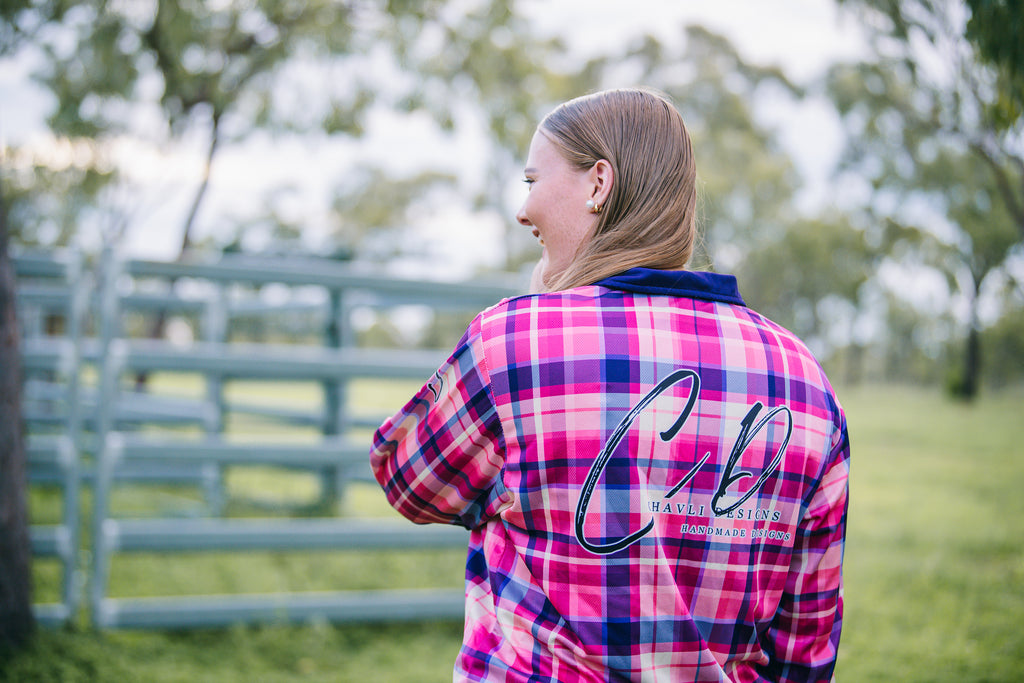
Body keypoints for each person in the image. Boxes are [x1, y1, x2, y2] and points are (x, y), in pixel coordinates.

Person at [370, 88, 849, 682]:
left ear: (599, 184)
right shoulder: (804, 381)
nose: (523, 212)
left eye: (531, 181)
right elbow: (805, 647)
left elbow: (409, 482)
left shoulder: (514, 342)